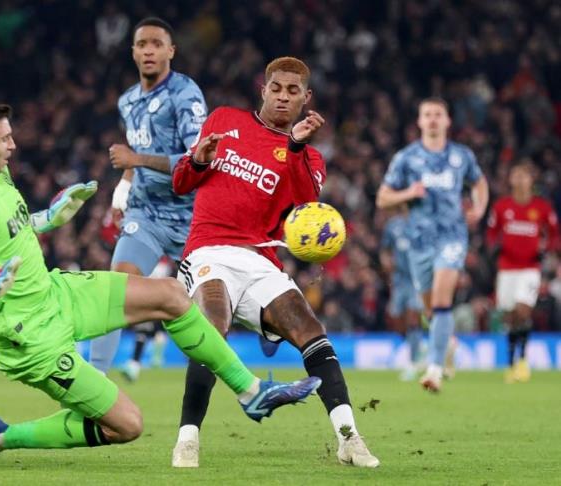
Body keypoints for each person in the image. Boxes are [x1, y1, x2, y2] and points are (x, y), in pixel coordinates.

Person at [0, 101, 320, 463]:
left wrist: (51, 216)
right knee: (126, 425)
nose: (13, 145)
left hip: (56, 293)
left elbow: (7, 228)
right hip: (28, 334)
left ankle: (251, 392)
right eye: (5, 138)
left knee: (170, 294)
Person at [170, 57, 379, 469]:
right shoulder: (223, 119)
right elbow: (181, 184)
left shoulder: (309, 156)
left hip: (261, 258)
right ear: (263, 89)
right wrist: (198, 158)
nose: (284, 97)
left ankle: (349, 438)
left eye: (293, 91)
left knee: (311, 330)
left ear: (306, 98)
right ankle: (187, 440)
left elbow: (305, 205)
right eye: (277, 88)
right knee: (213, 324)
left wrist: (296, 147)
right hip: (209, 250)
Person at [88, 17, 208, 375]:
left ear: (171, 51)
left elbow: (199, 159)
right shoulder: (128, 101)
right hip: (147, 215)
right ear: (134, 52)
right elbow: (134, 157)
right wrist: (121, 194)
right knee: (114, 289)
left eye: (157, 44)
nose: (149, 50)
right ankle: (93, 383)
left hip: (193, 217)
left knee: (216, 302)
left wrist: (136, 159)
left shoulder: (185, 94)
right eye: (142, 44)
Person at [376, 97, 489, 392]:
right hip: (418, 241)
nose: (433, 119)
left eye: (438, 114)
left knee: (441, 302)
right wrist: (408, 193)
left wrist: (479, 207)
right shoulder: (407, 158)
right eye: (428, 114)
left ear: (448, 120)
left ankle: (435, 369)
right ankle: (447, 342)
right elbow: (383, 197)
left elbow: (479, 183)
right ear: (420, 121)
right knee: (430, 310)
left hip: (452, 236)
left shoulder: (461, 156)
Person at [486, 160, 559, 383]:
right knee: (509, 317)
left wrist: (547, 250)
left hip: (530, 268)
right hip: (507, 269)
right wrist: (494, 248)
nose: (519, 180)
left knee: (523, 310)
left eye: (523, 176)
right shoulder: (501, 206)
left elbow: (555, 234)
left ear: (531, 180)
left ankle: (523, 361)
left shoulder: (542, 208)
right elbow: (491, 233)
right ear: (510, 180)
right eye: (515, 175)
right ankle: (510, 363)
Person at [379, 206, 424, 381]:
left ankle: (413, 363)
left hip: (418, 279)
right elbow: (385, 248)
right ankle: (416, 345)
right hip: (399, 279)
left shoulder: (422, 223)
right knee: (396, 318)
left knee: (413, 316)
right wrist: (386, 262)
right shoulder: (393, 225)